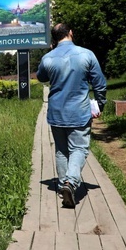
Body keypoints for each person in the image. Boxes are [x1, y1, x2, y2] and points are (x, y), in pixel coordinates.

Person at [36, 23, 107, 208]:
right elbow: (99, 83)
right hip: (79, 112)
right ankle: (71, 183)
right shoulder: (86, 54)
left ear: (54, 38)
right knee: (79, 149)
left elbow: (41, 77)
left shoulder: (47, 58)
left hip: (56, 112)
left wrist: (52, 53)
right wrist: (100, 104)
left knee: (61, 150)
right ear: (71, 33)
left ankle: (62, 186)